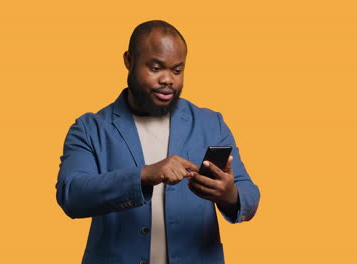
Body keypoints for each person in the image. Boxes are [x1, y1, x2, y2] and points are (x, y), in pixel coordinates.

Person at [56, 20, 260, 264]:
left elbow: (249, 194)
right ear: (129, 61)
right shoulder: (90, 128)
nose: (168, 80)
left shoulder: (211, 123)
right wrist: (144, 176)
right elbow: (72, 195)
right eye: (155, 68)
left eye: (177, 70)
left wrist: (230, 195)